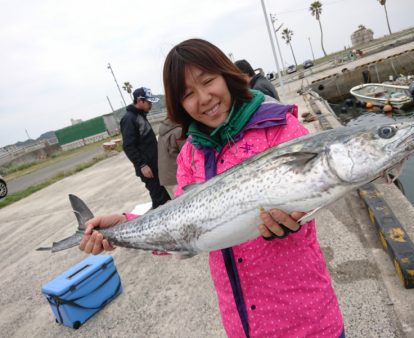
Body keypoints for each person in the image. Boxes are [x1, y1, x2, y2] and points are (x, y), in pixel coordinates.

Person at [80, 39, 344, 338]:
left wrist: (298, 218)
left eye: (208, 81)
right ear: (178, 104)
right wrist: (125, 225)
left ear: (227, 75)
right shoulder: (190, 155)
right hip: (241, 325)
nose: (204, 98)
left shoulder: (280, 127)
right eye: (188, 94)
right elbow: (180, 228)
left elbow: (316, 195)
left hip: (307, 320)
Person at [120, 87, 171, 209]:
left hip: (154, 166)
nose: (151, 105)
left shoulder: (140, 116)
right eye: (148, 102)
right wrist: (142, 165)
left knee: (165, 196)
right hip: (147, 169)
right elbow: (128, 146)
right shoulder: (129, 119)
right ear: (139, 101)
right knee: (160, 200)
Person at [157, 118, 185, 198]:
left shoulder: (163, 131)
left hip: (165, 177)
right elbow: (190, 157)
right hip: (175, 177)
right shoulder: (178, 131)